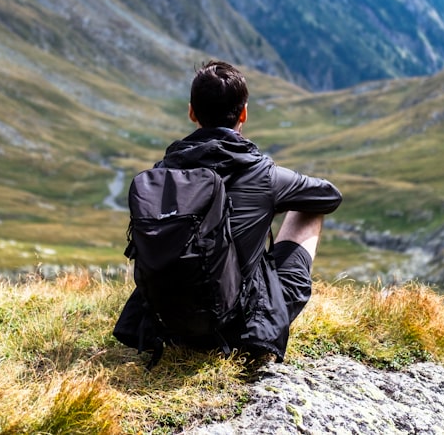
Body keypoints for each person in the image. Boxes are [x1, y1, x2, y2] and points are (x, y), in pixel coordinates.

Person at [114, 59, 342, 361]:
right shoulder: (264, 174)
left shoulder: (164, 173)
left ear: (192, 112)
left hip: (166, 324)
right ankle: (258, 317)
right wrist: (269, 202)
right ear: (244, 113)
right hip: (240, 330)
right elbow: (330, 197)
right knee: (308, 209)